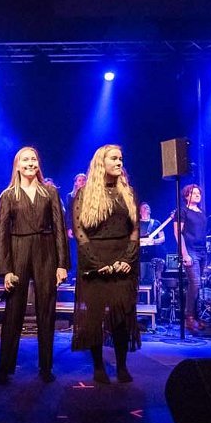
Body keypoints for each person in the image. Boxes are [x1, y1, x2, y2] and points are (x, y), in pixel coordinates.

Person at [0, 146, 70, 384]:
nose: (30, 163)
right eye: (25, 159)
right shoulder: (8, 195)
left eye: (33, 159)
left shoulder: (50, 192)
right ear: (17, 165)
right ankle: (4, 368)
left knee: (47, 309)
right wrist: (6, 269)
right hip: (18, 252)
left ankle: (46, 367)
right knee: (13, 310)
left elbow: (59, 229)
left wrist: (62, 264)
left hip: (46, 252)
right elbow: (2, 233)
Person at [71, 145, 141, 384]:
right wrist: (96, 262)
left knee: (121, 316)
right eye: (114, 158)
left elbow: (135, 230)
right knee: (95, 317)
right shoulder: (84, 193)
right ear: (102, 162)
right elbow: (80, 232)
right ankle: (99, 366)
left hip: (122, 257)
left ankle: (121, 366)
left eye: (121, 158)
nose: (119, 162)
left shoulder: (128, 192)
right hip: (94, 259)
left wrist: (127, 259)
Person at [173, 184, 207, 333]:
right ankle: (189, 317)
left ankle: (197, 317)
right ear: (186, 196)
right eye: (194, 193)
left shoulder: (201, 212)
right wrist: (184, 254)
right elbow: (177, 233)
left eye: (199, 193)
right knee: (195, 283)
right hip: (190, 250)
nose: (198, 195)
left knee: (199, 285)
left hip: (202, 251)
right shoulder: (182, 211)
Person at [65, 172, 87, 281]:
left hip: (86, 227)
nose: (82, 182)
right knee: (74, 250)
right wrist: (69, 228)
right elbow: (68, 213)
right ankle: (74, 272)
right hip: (74, 227)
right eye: (79, 180)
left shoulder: (90, 196)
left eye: (83, 180)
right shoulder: (70, 196)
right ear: (76, 183)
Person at [138, 202, 166, 286]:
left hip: (153, 255)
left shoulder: (156, 223)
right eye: (144, 207)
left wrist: (154, 241)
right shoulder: (136, 224)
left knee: (154, 280)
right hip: (140, 256)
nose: (147, 207)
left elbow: (163, 238)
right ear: (140, 212)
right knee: (141, 279)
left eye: (148, 206)